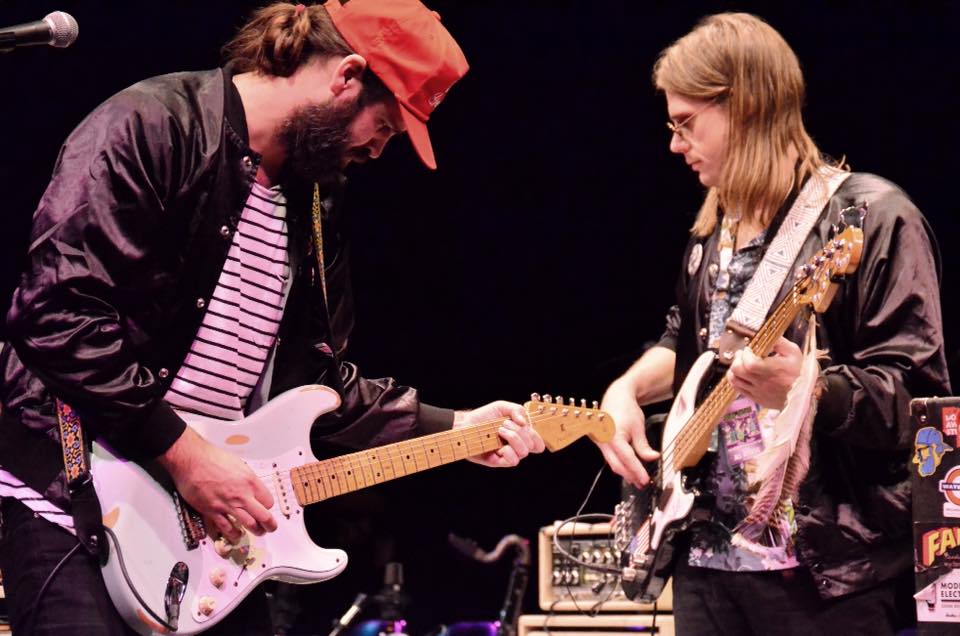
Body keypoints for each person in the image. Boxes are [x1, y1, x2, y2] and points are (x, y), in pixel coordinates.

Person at [0, 1, 545, 634]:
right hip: (74, 504)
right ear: (346, 76)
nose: (379, 148)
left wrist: (457, 427)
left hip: (200, 537)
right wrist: (185, 454)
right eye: (386, 124)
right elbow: (54, 314)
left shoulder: (317, 199)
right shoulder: (152, 125)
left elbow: (316, 381)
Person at [596, 12, 950, 635]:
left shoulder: (871, 218)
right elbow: (687, 342)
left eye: (686, 123)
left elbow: (919, 405)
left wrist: (808, 388)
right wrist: (624, 392)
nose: (674, 143)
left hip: (825, 577)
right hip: (706, 564)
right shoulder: (715, 230)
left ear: (748, 107)